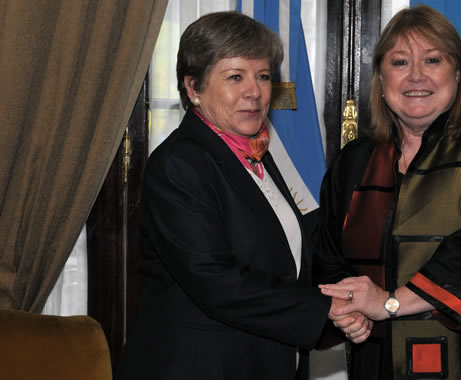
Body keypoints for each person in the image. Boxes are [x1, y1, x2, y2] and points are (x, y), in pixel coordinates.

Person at [114, 11, 370, 380]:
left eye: (263, 76)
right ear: (193, 89)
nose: (255, 92)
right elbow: (216, 280)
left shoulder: (259, 153)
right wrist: (324, 309)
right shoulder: (179, 164)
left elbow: (288, 260)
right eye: (235, 77)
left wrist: (348, 300)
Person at [316, 5, 461, 380]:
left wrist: (387, 303)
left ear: (458, 73)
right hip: (378, 360)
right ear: (381, 80)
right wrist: (349, 309)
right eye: (400, 62)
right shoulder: (354, 160)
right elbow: (328, 255)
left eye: (432, 60)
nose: (416, 76)